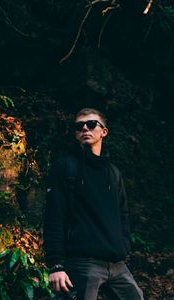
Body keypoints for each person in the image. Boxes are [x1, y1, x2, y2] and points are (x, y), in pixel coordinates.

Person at [43, 108, 144, 300]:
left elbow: (123, 214)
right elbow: (53, 216)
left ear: (103, 131)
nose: (85, 129)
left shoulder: (113, 173)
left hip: (117, 263)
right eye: (79, 126)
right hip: (83, 262)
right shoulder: (65, 167)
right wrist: (56, 265)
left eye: (91, 124)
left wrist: (123, 246)